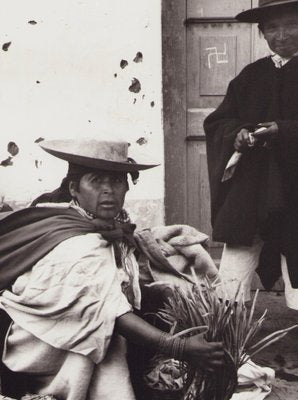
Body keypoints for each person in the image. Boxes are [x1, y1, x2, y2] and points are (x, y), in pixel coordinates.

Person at [0, 138, 224, 400]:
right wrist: (180, 347)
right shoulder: (78, 245)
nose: (109, 191)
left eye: (117, 182)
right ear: (74, 188)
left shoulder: (102, 225)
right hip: (39, 346)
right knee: (111, 347)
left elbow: (113, 288)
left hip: (73, 329)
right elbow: (110, 313)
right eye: (96, 181)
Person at [204, 0, 298, 366]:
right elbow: (220, 122)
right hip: (252, 187)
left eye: (291, 25)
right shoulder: (250, 77)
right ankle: (223, 353)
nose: (281, 35)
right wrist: (238, 136)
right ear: (261, 32)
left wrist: (287, 131)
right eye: (272, 29)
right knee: (235, 265)